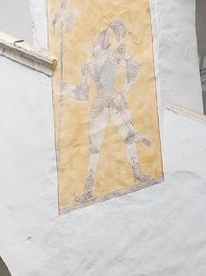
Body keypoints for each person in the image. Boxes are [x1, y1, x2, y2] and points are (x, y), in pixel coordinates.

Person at [64, 19, 156, 204]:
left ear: (103, 47)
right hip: (99, 106)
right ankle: (88, 190)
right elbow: (82, 93)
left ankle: (137, 174)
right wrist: (66, 88)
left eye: (97, 46)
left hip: (115, 103)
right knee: (95, 149)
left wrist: (123, 90)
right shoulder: (90, 66)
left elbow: (134, 70)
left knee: (129, 138)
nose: (94, 49)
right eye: (94, 46)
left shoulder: (113, 57)